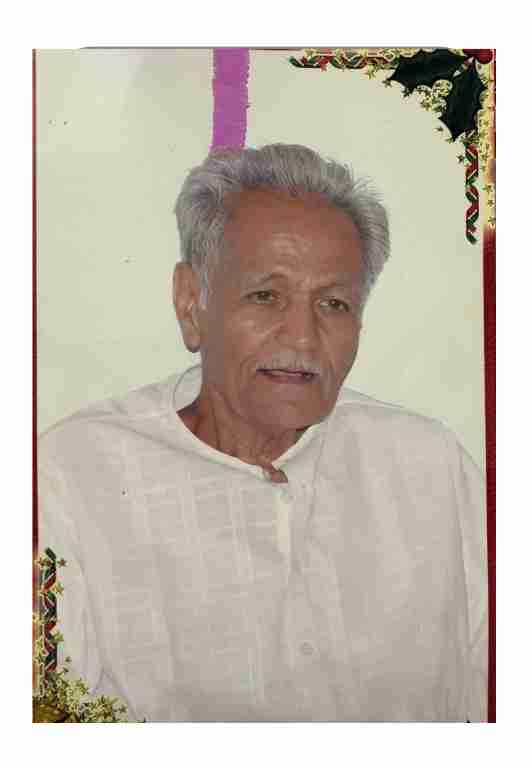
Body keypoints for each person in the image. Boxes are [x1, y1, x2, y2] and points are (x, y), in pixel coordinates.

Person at [38, 143, 487, 722]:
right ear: (191, 303)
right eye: (266, 296)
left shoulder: (429, 465)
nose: (301, 337)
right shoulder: (72, 477)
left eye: (333, 303)